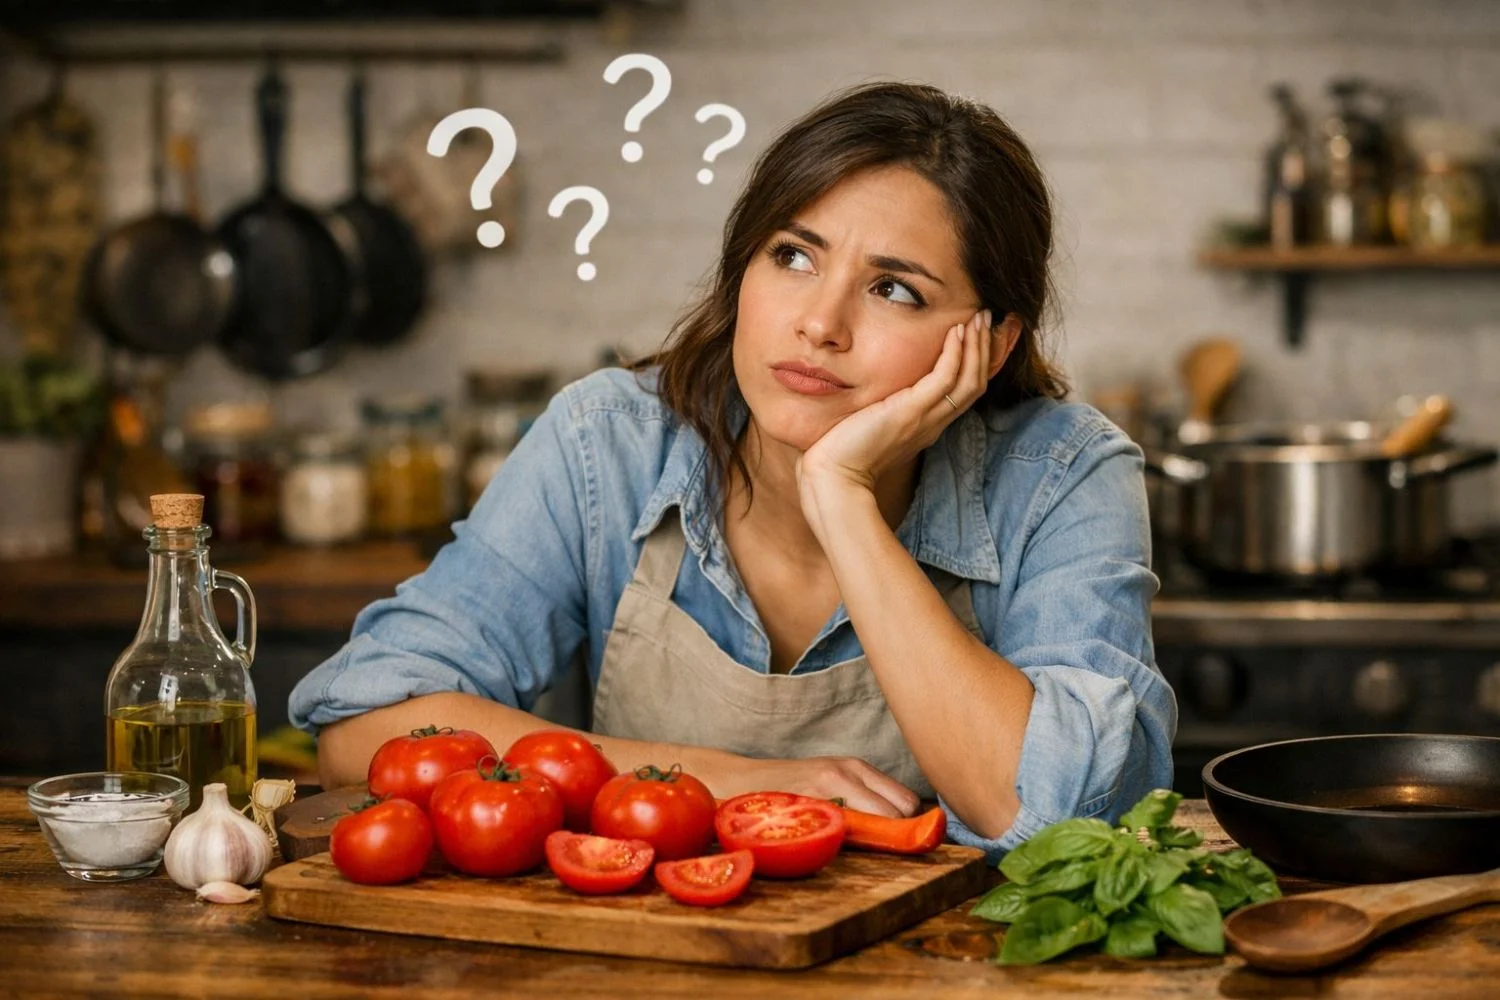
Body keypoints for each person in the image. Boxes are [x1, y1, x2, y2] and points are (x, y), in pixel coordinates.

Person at [289, 80, 1176, 856]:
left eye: (894, 289)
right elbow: (364, 726)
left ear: (990, 344)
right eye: (793, 256)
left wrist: (844, 498)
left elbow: (1068, 816)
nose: (820, 323)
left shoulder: (1063, 473)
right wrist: (721, 779)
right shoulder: (612, 443)